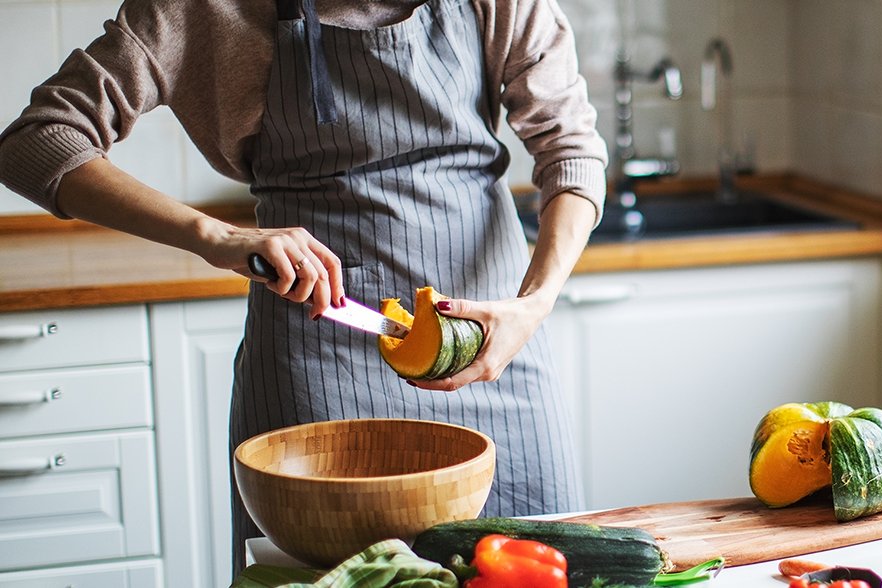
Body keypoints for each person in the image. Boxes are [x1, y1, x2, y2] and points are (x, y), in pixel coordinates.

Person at [0, 0, 607, 577]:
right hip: (320, 355)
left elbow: (572, 150)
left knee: (544, 561)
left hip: (491, 342)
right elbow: (38, 139)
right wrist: (214, 235)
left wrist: (534, 304)